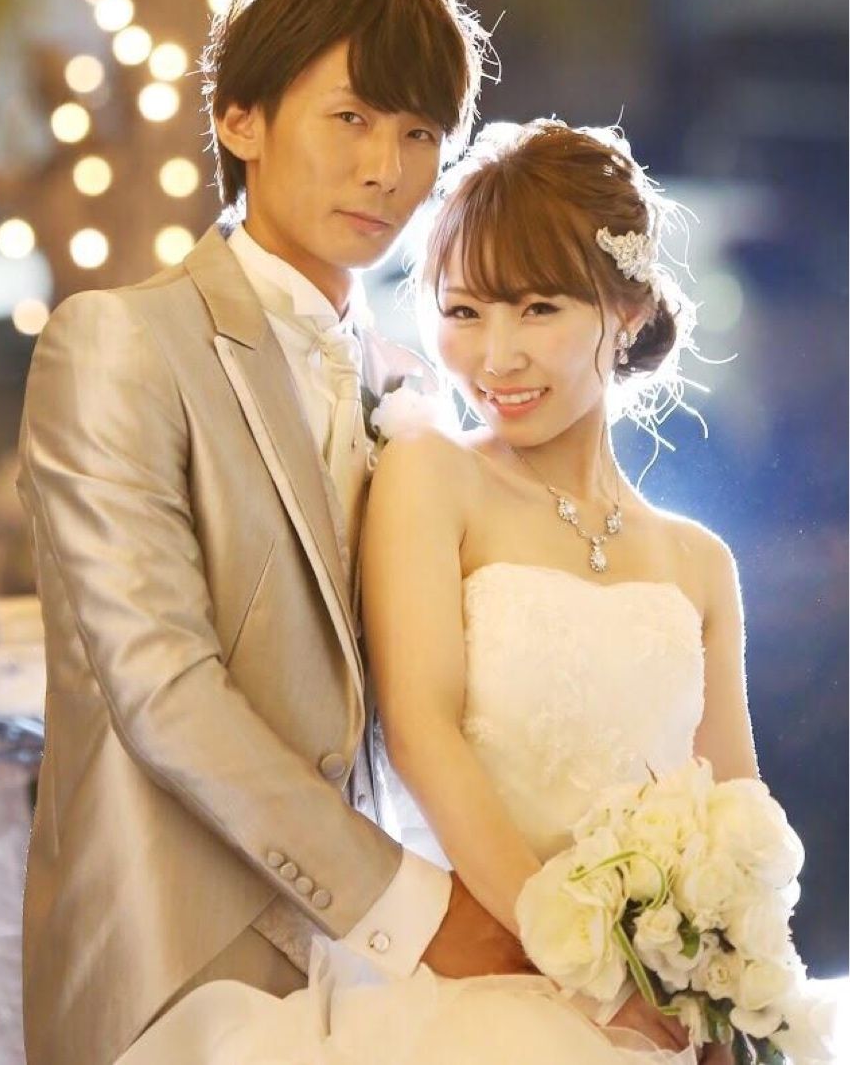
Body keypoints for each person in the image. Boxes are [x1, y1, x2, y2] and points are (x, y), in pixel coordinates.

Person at [117, 119, 760, 1064]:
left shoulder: (699, 562)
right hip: (486, 986)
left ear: (624, 311)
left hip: (662, 1011)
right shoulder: (432, 477)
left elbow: (735, 814)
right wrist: (587, 973)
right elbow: (423, 734)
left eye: (536, 308)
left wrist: (722, 989)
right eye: (462, 311)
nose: (495, 357)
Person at [17, 0, 508, 1065]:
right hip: (185, 963)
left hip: (390, 973)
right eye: (351, 118)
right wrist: (412, 907)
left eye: (419, 133)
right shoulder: (122, 343)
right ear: (239, 119)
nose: (386, 169)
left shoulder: (412, 384)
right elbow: (163, 688)